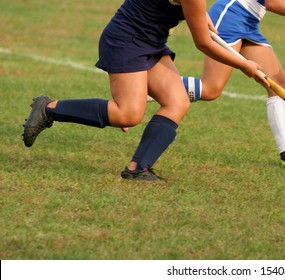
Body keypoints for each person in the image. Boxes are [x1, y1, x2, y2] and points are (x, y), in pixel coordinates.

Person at [22, 0, 268, 181]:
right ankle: (48, 108)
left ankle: (138, 168)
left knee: (177, 101)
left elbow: (195, 13)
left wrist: (200, 14)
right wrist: (244, 65)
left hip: (150, 42)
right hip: (126, 41)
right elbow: (202, 42)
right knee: (127, 114)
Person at [178, 0, 285, 168]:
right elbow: (272, 3)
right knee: (211, 89)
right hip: (230, 15)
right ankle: (156, 86)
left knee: (278, 84)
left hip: (250, 23)